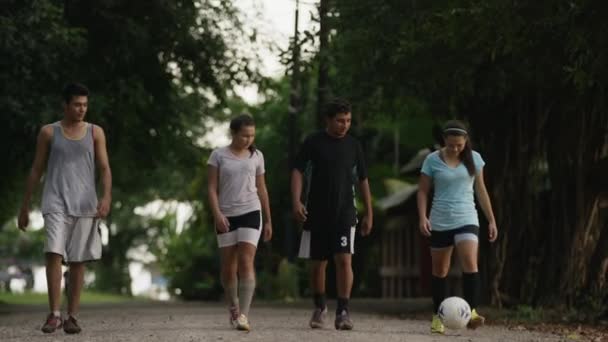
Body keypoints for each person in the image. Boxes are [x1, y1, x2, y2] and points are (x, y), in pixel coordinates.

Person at [18, 82, 112, 334]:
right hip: (54, 201)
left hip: (85, 205)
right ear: (66, 105)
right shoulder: (49, 132)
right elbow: (36, 169)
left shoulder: (95, 132)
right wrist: (24, 206)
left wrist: (106, 197)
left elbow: (104, 168)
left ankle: (72, 316)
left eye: (85, 105)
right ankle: (54, 314)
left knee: (78, 261)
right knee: (53, 254)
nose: (82, 109)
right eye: (77, 104)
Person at [291, 98, 373, 330]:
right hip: (315, 212)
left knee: (344, 259)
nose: (344, 125)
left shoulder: (354, 145)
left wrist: (369, 212)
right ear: (328, 120)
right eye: (339, 121)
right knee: (318, 264)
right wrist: (296, 201)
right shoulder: (313, 142)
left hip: (345, 212)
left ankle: (343, 311)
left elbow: (363, 179)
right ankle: (319, 307)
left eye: (348, 121)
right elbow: (297, 171)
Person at [416, 119, 498, 334]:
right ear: (444, 141)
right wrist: (423, 217)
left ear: (466, 141)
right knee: (440, 271)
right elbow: (423, 191)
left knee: (470, 263)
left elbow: (481, 190)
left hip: (467, 218)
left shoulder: (475, 159)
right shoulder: (431, 160)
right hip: (440, 220)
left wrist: (491, 219)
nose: (455, 149)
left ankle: (471, 312)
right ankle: (437, 317)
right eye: (451, 144)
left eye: (459, 145)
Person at [207, 114, 272, 331]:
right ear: (233, 133)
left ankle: (244, 315)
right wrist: (217, 214)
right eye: (244, 135)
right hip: (226, 214)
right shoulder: (218, 155)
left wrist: (269, 220)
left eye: (252, 135)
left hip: (251, 211)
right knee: (228, 268)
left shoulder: (257, 156)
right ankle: (233, 305)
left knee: (246, 261)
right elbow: (211, 188)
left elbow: (262, 188)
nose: (249, 139)